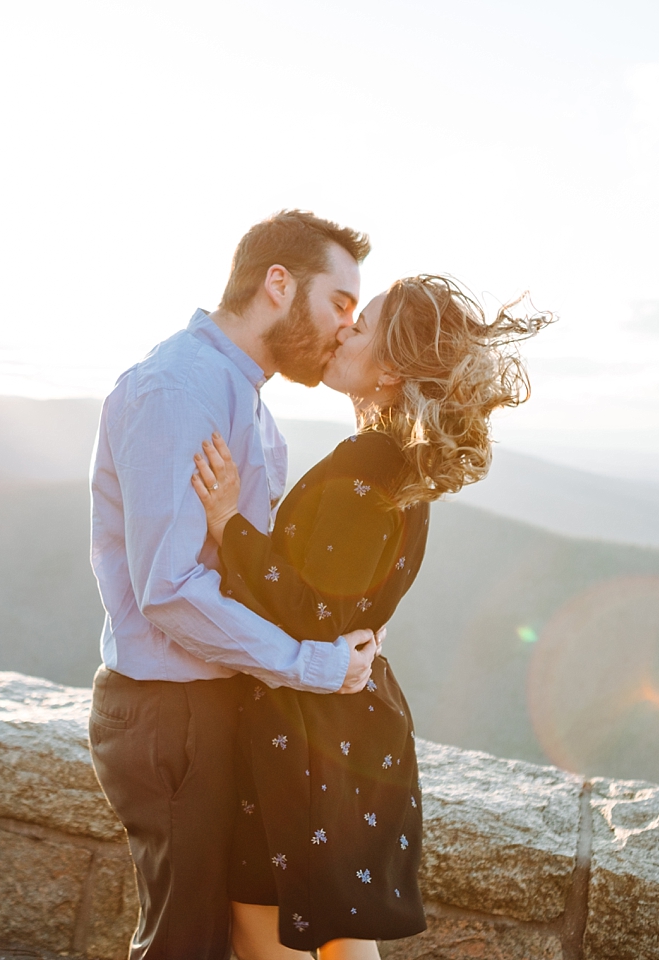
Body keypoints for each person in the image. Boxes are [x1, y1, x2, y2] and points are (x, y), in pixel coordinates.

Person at [189, 274, 553, 960]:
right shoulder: (402, 470)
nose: (345, 329)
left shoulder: (364, 466)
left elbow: (309, 609)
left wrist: (228, 521)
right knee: (340, 925)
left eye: (364, 326)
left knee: (263, 923)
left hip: (306, 733)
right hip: (356, 727)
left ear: (389, 371)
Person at [88, 210, 384, 960]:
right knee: (183, 945)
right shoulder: (180, 388)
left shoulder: (240, 393)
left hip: (211, 703)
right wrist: (315, 665)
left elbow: (247, 570)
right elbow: (172, 588)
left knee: (219, 940)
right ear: (278, 284)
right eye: (339, 304)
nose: (345, 329)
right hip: (171, 712)